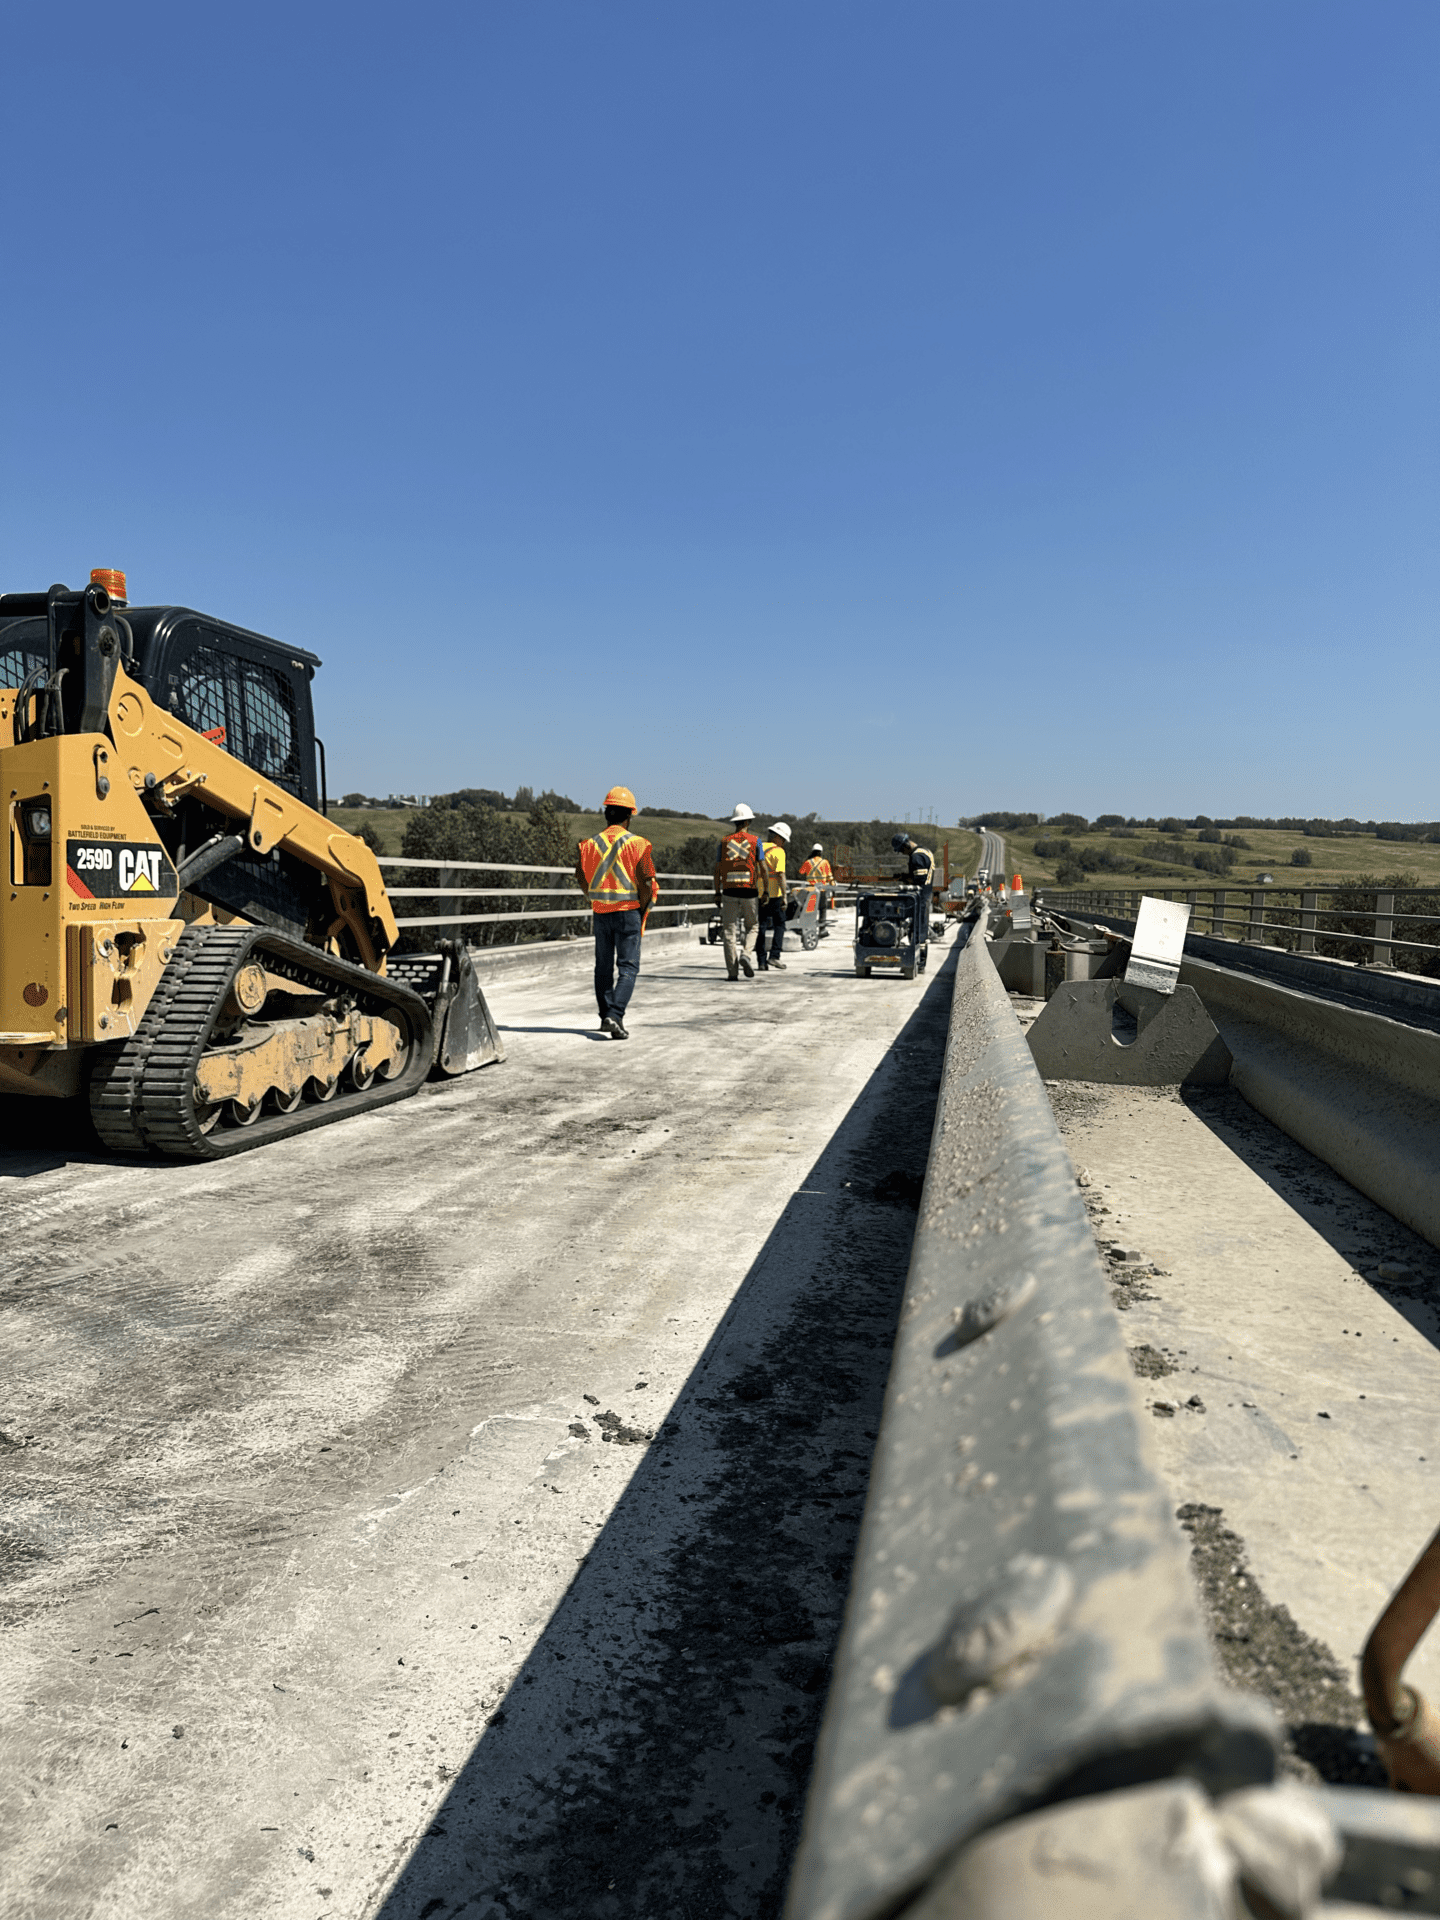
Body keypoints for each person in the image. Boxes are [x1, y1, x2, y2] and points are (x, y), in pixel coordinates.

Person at [574, 786, 657, 1039]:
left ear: (606, 814)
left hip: (601, 912)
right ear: (628, 816)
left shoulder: (588, 845)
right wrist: (642, 906)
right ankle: (615, 1014)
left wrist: (593, 896)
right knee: (628, 967)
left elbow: (579, 875)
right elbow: (646, 880)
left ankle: (604, 1017)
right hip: (628, 912)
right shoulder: (638, 844)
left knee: (603, 967)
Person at [713, 804, 763, 979]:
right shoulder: (756, 841)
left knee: (729, 931)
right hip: (749, 890)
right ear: (748, 821)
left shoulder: (724, 842)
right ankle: (746, 954)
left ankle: (732, 973)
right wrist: (765, 892)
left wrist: (717, 892)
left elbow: (717, 869)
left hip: (728, 891)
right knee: (753, 927)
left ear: (735, 822)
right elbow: (763, 867)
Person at [757, 820, 791, 970]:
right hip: (774, 894)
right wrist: (784, 896)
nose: (783, 843)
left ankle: (761, 961)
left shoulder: (758, 847)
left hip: (757, 893)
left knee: (761, 926)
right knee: (780, 924)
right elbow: (780, 875)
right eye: (783, 839)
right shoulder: (779, 852)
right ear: (777, 837)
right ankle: (775, 956)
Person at [892, 832, 935, 942]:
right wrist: (905, 876)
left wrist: (904, 879)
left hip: (920, 896)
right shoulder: (925, 851)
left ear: (906, 845)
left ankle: (916, 948)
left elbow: (919, 881)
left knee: (918, 927)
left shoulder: (916, 857)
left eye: (902, 850)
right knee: (920, 925)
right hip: (925, 894)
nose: (902, 853)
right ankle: (919, 948)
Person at [800, 841, 834, 937]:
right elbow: (830, 876)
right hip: (821, 890)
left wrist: (808, 860)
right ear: (821, 852)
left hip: (810, 890)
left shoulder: (808, 862)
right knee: (822, 909)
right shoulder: (825, 862)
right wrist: (832, 885)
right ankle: (822, 930)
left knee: (809, 910)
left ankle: (807, 929)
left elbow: (801, 872)